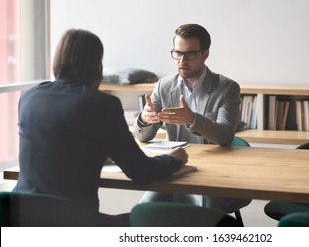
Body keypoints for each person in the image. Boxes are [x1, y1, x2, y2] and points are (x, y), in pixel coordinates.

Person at [13, 28, 188, 226]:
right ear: (97, 63)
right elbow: (141, 172)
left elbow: (54, 144)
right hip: (71, 223)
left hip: (20, 216)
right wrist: (173, 160)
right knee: (161, 221)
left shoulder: (30, 96)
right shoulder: (102, 104)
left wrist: (93, 151)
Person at [134, 23, 251, 213]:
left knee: (201, 215)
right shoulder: (163, 86)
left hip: (216, 172)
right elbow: (143, 136)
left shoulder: (227, 88)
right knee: (144, 211)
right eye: (177, 53)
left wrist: (192, 119)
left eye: (190, 54)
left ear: (205, 54)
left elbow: (224, 136)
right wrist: (144, 119)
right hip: (177, 168)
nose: (182, 60)